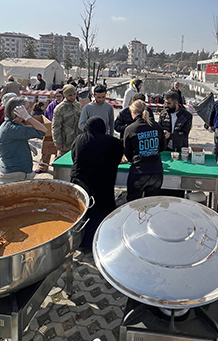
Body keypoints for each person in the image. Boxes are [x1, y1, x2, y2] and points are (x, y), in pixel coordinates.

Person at [70, 117, 124, 249]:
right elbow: (118, 157)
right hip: (103, 181)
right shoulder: (112, 142)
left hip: (81, 181)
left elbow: (73, 156)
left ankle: (81, 242)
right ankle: (100, 241)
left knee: (83, 210)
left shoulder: (79, 139)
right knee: (102, 210)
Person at [0, 96, 47, 184]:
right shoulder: (12, 129)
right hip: (14, 175)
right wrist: (28, 117)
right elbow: (43, 130)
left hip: (13, 173)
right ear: (18, 111)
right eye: (27, 108)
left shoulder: (8, 124)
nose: (30, 109)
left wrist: (25, 144)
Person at [124, 99, 166, 201]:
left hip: (139, 171)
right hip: (156, 171)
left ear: (133, 112)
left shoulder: (130, 129)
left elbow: (127, 153)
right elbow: (163, 147)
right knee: (151, 204)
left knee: (133, 204)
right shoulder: (157, 126)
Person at [51, 84, 82, 156]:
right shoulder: (60, 108)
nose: (73, 97)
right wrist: (58, 142)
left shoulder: (78, 105)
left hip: (78, 141)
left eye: (74, 94)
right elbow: (56, 127)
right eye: (70, 95)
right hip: (66, 143)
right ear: (65, 95)